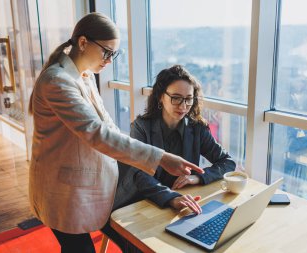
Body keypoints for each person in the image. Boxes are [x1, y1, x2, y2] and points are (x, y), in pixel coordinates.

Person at [28, 13, 204, 253]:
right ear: (82, 43)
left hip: (86, 185)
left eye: (114, 54)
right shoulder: (56, 82)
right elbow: (98, 134)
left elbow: (109, 129)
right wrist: (161, 157)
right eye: (107, 52)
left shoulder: (85, 77)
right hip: (63, 191)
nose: (110, 61)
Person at [111, 65, 236, 251]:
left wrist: (198, 177)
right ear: (161, 96)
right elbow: (139, 175)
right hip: (139, 201)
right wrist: (171, 198)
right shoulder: (141, 127)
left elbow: (228, 163)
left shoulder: (197, 128)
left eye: (188, 99)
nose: (183, 106)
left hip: (179, 203)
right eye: (176, 98)